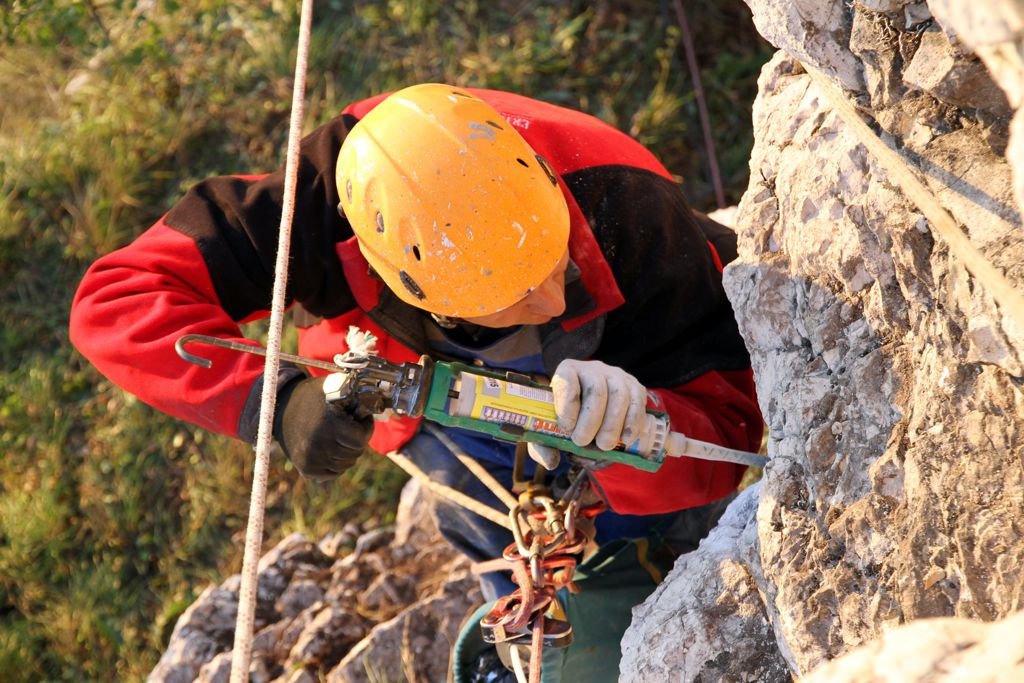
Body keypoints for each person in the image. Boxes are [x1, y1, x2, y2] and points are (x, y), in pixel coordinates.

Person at [69, 84, 762, 679]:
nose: (552, 298)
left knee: (667, 524)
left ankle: (639, 576)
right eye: (516, 292)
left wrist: (640, 417)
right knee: (477, 505)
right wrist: (274, 402)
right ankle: (524, 616)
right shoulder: (320, 206)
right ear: (409, 281)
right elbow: (117, 298)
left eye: (555, 258)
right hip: (426, 393)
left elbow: (728, 432)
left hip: (632, 374)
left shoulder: (630, 212)